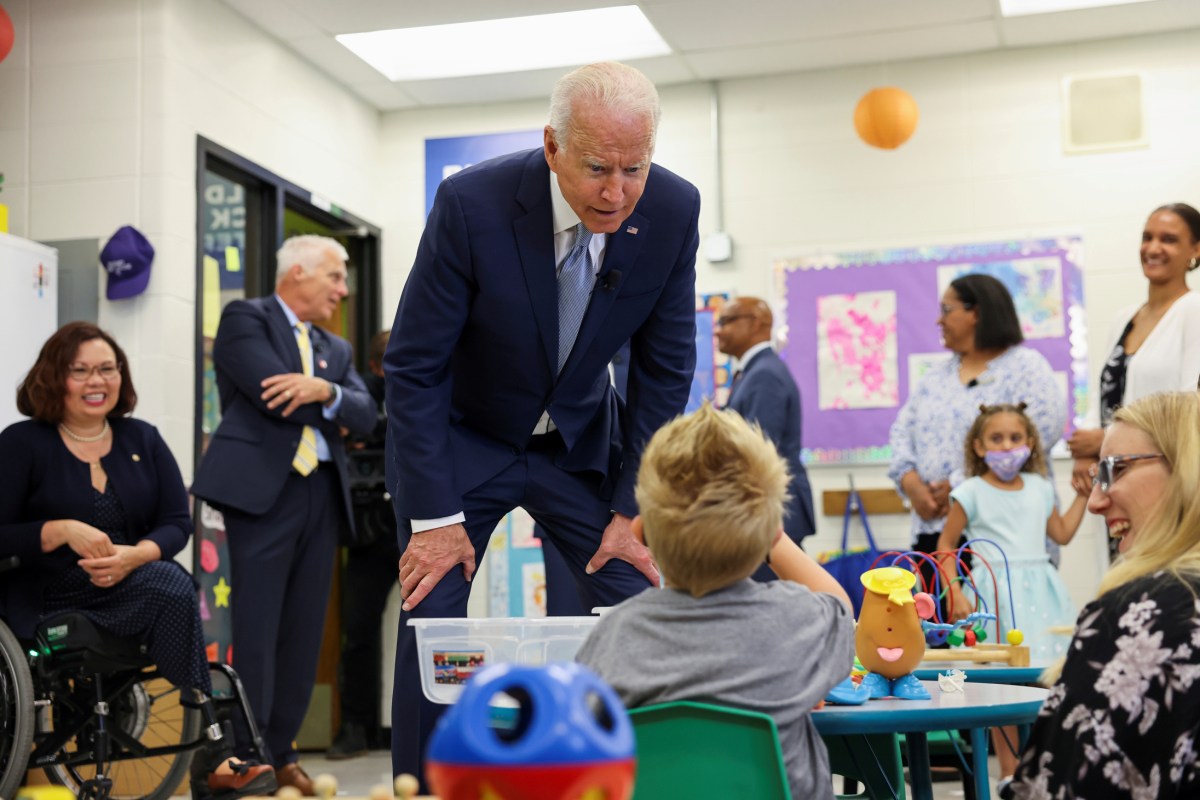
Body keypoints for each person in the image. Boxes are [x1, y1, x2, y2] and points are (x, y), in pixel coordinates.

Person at [384, 61, 700, 784]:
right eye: (596, 168)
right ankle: (428, 789)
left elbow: (663, 372)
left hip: (580, 444)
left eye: (634, 168)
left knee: (635, 598)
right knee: (434, 614)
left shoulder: (675, 209)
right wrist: (433, 518)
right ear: (553, 146)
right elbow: (414, 365)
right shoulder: (473, 203)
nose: (616, 193)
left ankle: (634, 783)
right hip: (467, 441)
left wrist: (632, 507)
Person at [0, 322, 275, 798]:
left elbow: (175, 522)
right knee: (170, 582)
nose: (96, 381)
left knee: (169, 578)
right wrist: (59, 530)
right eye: (80, 370)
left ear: (121, 377)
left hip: (129, 587)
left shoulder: (141, 439)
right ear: (54, 377)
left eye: (107, 369)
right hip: (49, 597)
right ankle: (216, 753)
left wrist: (135, 556)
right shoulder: (22, 443)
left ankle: (213, 749)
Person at [575, 404, 855, 800]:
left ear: (641, 531)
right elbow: (839, 605)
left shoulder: (614, 635)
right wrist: (773, 540)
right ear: (771, 532)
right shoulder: (799, 622)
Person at [191, 235, 375, 793]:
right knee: (257, 626)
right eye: (336, 277)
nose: (343, 291)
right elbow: (272, 391)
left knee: (303, 630)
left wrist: (324, 390)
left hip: (321, 492)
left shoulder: (334, 350)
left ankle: (283, 748)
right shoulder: (245, 318)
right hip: (263, 495)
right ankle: (247, 752)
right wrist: (332, 403)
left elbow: (366, 413)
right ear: (298, 271)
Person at [1009, 391, 1200, 799]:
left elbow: (1065, 786)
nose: (1096, 501)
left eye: (1116, 470)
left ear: (1187, 467)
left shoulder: (1143, 612)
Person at [935, 402, 1087, 788]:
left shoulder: (1040, 488)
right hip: (995, 598)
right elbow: (947, 545)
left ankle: (1049, 770)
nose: (1007, 446)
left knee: (1051, 680)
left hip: (1043, 594)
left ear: (1030, 443)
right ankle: (1010, 774)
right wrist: (954, 590)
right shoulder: (968, 492)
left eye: (1015, 438)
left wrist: (1085, 496)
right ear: (979, 446)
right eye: (997, 439)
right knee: (1004, 684)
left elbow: (1062, 534)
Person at [887, 273, 1065, 587]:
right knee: (943, 629)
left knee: (1002, 631)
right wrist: (912, 483)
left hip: (1001, 534)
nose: (938, 320)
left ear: (976, 313)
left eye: (946, 309)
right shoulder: (936, 377)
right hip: (936, 530)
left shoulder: (1026, 367)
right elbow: (901, 432)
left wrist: (957, 483)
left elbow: (1041, 431)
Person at [1067, 203, 1200, 557]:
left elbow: (1190, 407)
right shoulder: (1124, 318)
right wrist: (1085, 453)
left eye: (1169, 239)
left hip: (1163, 482)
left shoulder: (1194, 309)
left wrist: (1103, 441)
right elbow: (1104, 397)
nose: (1153, 248)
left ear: (1195, 250)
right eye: (1147, 237)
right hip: (1113, 479)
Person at [326, 329, 403, 760]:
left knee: (435, 626)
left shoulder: (438, 380)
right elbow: (358, 421)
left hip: (429, 527)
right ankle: (356, 725)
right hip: (372, 532)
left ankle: (426, 723)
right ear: (376, 368)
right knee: (358, 630)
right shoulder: (365, 393)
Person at [716, 296, 816, 572]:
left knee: (773, 608)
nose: (717, 330)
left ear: (757, 323)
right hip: (765, 510)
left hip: (770, 511)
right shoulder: (753, 371)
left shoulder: (764, 375)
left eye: (726, 321)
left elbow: (755, 453)